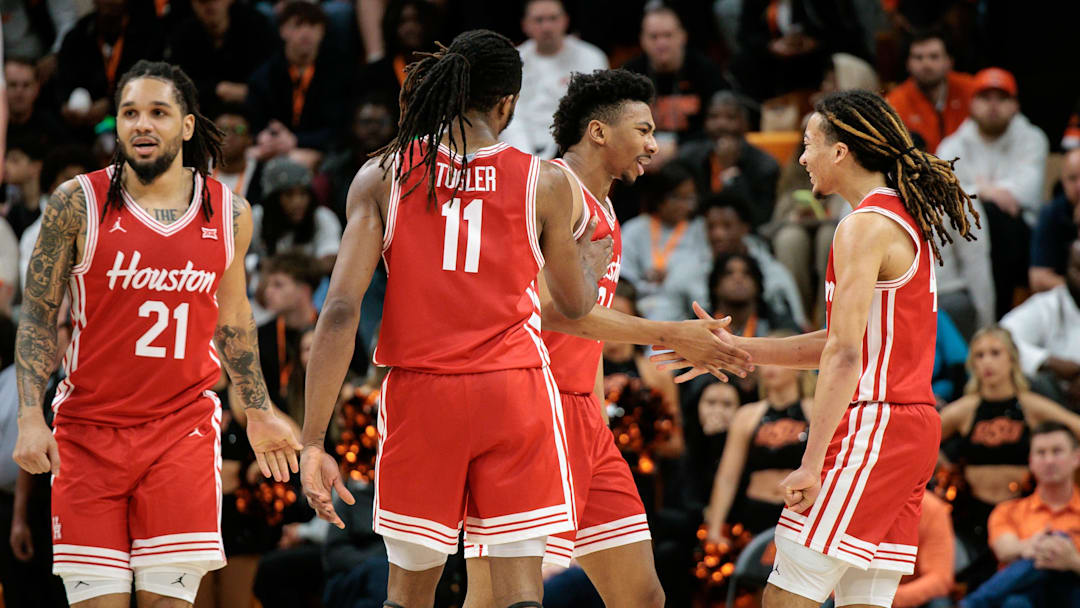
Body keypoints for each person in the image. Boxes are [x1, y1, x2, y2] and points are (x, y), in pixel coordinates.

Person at [298, 30, 612, 608]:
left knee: (409, 592)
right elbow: (574, 305)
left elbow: (341, 309)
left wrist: (313, 440)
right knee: (520, 593)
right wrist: (591, 261)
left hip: (423, 395)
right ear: (506, 104)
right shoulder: (543, 182)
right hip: (514, 392)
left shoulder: (384, 176)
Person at [657, 89, 980, 608]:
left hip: (875, 424)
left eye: (808, 144)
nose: (801, 157)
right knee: (862, 601)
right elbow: (838, 343)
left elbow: (845, 356)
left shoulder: (863, 226)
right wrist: (738, 348)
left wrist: (810, 463)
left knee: (787, 597)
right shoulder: (897, 219)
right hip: (909, 425)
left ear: (841, 151)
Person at [12, 60, 301, 608]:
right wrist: (30, 414)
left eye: (158, 113)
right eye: (129, 113)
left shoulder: (231, 212)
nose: (142, 124)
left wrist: (259, 409)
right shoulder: (76, 202)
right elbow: (37, 314)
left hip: (180, 433)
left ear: (187, 126)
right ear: (117, 126)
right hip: (87, 435)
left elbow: (234, 319)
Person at [462, 68, 752, 608]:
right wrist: (671, 334)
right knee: (494, 600)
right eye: (642, 130)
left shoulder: (607, 205)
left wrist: (595, 416)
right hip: (530, 412)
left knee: (642, 596)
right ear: (598, 132)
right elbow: (551, 314)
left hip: (582, 421)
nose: (652, 144)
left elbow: (585, 331)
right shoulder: (553, 190)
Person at [940, 326, 1080, 572]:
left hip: (1021, 513)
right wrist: (943, 467)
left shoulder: (1031, 405)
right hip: (970, 512)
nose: (987, 362)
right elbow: (920, 440)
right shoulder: (965, 409)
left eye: (995, 353)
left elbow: (1074, 428)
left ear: (1012, 359)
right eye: (980, 355)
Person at [937, 67, 1049, 318]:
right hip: (964, 236)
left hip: (1021, 235)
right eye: (985, 98)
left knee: (994, 216)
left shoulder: (1033, 138)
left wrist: (973, 191)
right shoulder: (952, 145)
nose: (993, 106)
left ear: (1015, 105)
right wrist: (986, 190)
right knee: (980, 215)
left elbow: (1025, 194)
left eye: (1002, 98)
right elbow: (942, 195)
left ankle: (997, 316)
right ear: (971, 103)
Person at [960, 422, 1080, 607]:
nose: (1049, 460)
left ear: (1076, 457)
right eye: (1041, 452)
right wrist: (1031, 547)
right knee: (1015, 602)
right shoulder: (1008, 510)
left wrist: (1073, 560)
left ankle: (973, 604)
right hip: (1023, 596)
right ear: (1031, 461)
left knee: (1058, 543)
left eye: (1057, 451)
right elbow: (1004, 550)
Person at [705, 357, 813, 542]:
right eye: (765, 360)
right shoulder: (747, 415)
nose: (770, 367)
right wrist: (714, 528)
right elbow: (727, 476)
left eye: (778, 359)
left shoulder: (815, 410)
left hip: (802, 512)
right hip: (756, 512)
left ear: (800, 368)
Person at [499, 0, 608, 159]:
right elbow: (511, 117)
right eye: (539, 20)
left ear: (565, 20)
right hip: (522, 152)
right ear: (525, 25)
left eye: (553, 18)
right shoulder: (512, 60)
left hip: (574, 154)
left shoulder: (591, 58)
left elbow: (595, 113)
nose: (546, 27)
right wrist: (527, 161)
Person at [677, 91, 780, 229]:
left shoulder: (765, 165)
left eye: (730, 118)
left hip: (747, 237)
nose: (721, 124)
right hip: (696, 233)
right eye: (714, 117)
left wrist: (729, 171)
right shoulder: (689, 157)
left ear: (745, 124)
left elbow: (759, 217)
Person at [1000, 240, 1080, 410]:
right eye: (1078, 270)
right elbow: (1000, 337)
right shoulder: (1047, 305)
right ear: (1066, 270)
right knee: (1037, 382)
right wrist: (1048, 362)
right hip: (1057, 403)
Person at [885, 29, 975, 153]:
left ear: (949, 62)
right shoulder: (894, 103)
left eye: (934, 57)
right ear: (907, 64)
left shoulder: (972, 90)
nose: (926, 64)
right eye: (918, 57)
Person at [1029, 148, 1080, 292]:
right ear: (1062, 182)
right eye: (1072, 178)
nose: (1079, 186)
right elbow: (1038, 279)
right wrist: (1075, 290)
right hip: (1066, 299)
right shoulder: (1051, 213)